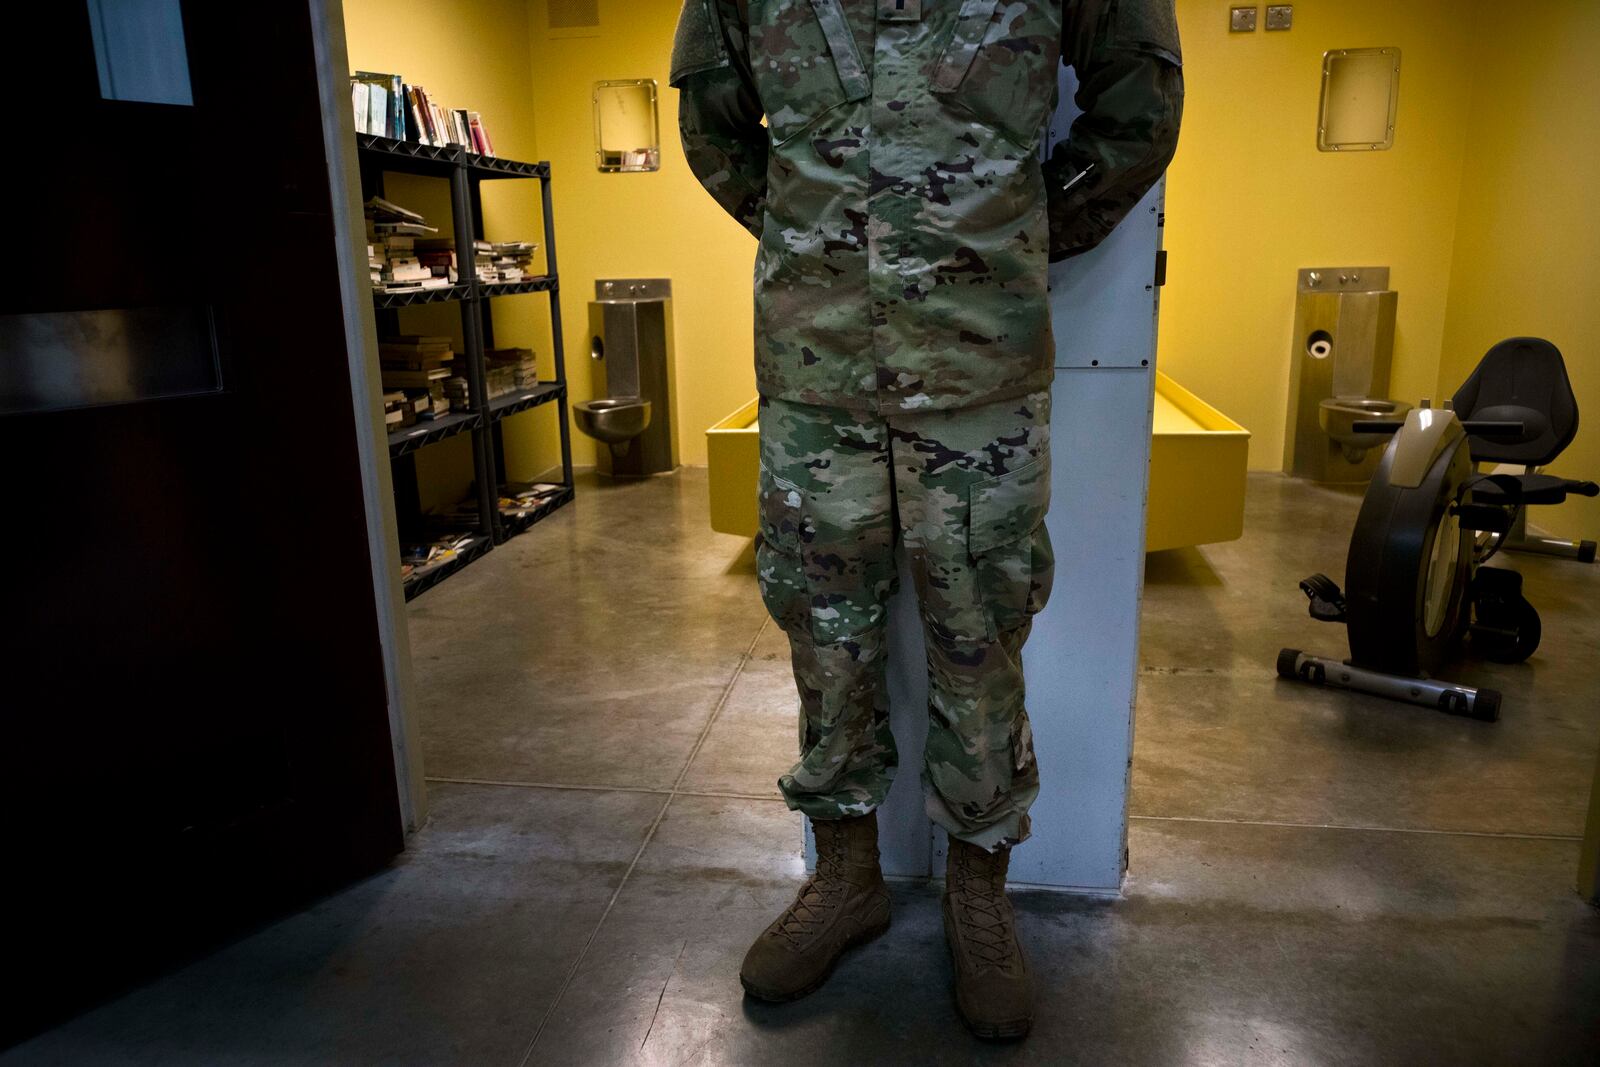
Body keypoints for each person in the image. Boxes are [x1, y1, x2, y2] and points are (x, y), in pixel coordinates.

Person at [671, 0, 1182, 1039]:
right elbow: (711, 126)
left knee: (977, 637)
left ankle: (978, 891)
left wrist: (1018, 231)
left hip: (976, 372)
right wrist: (825, 248)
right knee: (824, 629)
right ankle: (846, 875)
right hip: (816, 373)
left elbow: (1140, 105)